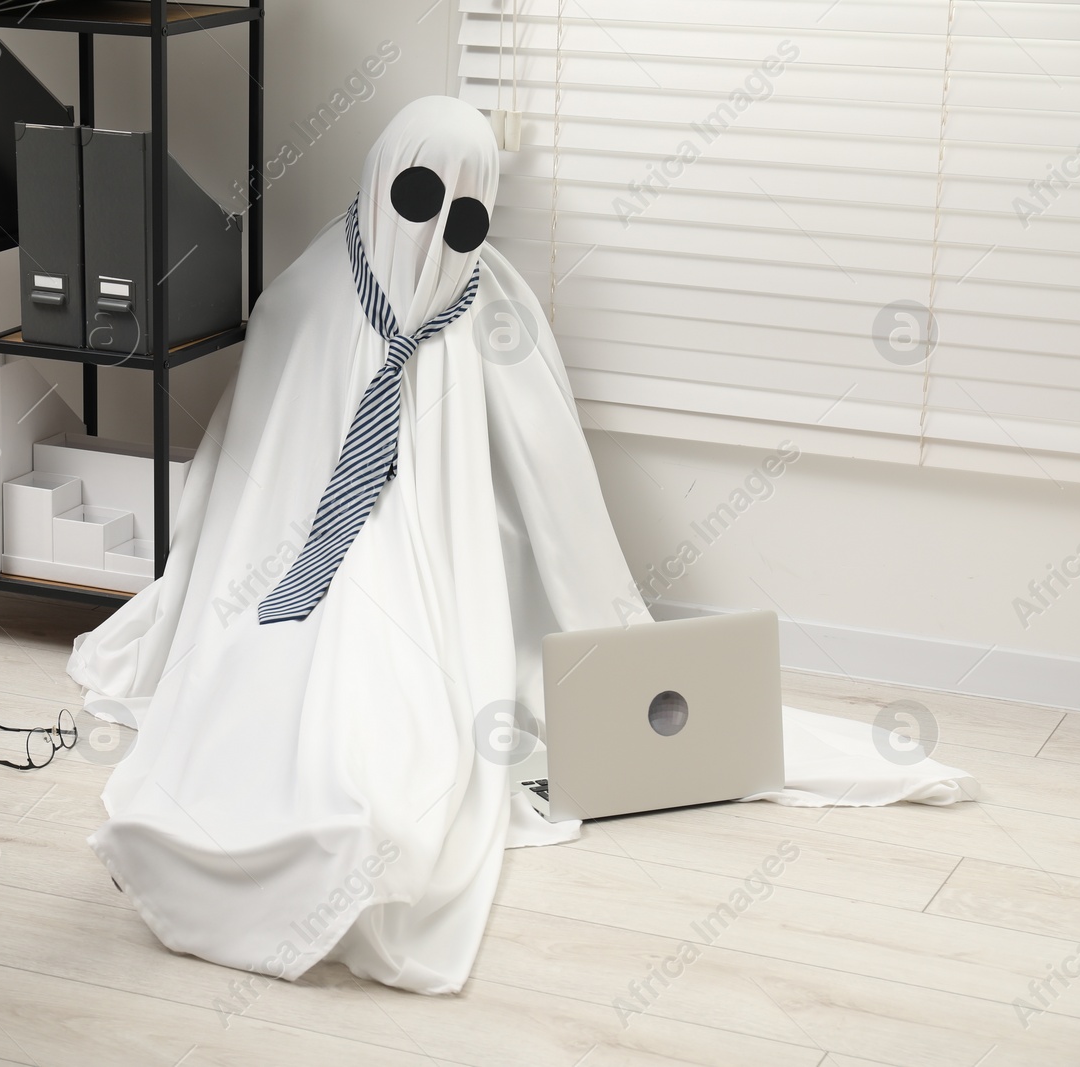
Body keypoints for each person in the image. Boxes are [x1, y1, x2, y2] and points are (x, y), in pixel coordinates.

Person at [66, 96, 975, 995]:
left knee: (408, 737)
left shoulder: (491, 309)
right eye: (419, 199)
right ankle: (271, 835)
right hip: (304, 563)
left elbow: (551, 480)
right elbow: (257, 462)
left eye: (465, 216)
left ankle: (363, 837)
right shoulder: (307, 297)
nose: (435, 236)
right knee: (285, 703)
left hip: (464, 568)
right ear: (384, 174)